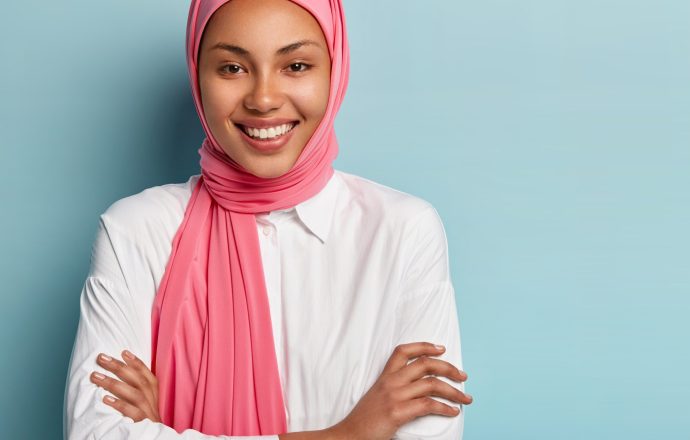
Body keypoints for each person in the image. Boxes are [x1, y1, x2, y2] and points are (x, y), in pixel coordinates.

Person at [62, 0, 472, 438]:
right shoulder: (136, 230)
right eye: (232, 69)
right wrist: (347, 434)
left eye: (295, 65)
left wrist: (166, 429)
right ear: (198, 77)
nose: (263, 99)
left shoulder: (403, 230)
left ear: (334, 72)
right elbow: (95, 433)